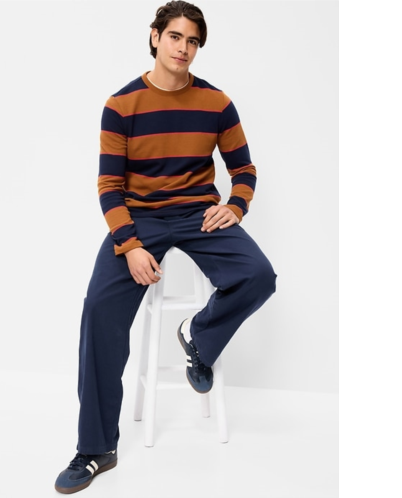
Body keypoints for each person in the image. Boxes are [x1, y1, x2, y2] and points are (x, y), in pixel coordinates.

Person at [54, 0, 277, 493]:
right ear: (155, 37)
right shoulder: (121, 105)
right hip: (140, 218)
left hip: (199, 214)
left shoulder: (217, 103)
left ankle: (199, 337)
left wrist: (236, 206)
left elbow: (244, 169)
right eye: (175, 36)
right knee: (99, 311)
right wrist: (130, 244)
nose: (184, 48)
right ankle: (96, 448)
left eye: (193, 41)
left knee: (259, 275)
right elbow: (109, 186)